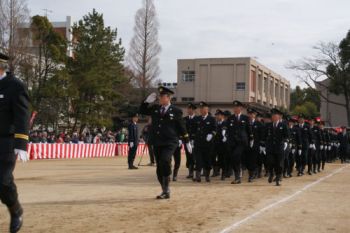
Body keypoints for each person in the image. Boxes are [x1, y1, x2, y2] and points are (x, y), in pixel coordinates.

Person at [139, 86, 192, 199]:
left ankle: (166, 188)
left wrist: (187, 141)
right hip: (157, 141)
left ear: (169, 98)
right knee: (159, 168)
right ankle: (164, 189)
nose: (160, 98)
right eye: (160, 96)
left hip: (170, 141)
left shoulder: (176, 111)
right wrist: (146, 101)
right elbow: (142, 111)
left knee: (165, 160)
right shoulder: (155, 109)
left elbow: (181, 126)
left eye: (163, 96)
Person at [0, 52, 30, 233]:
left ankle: (15, 209)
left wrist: (21, 143)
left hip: (6, 143)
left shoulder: (15, 86)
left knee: (2, 181)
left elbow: (22, 115)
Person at [223, 100, 251, 184]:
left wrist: (251, 139)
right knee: (234, 159)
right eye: (234, 107)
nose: (235, 109)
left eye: (237, 107)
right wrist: (225, 133)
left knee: (236, 156)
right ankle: (237, 177)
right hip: (232, 142)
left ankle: (242, 173)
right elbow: (226, 127)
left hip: (242, 142)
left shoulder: (245, 118)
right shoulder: (230, 118)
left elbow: (249, 130)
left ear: (241, 108)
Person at [263, 108, 289, 186]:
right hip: (270, 147)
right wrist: (263, 145)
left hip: (279, 147)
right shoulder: (268, 125)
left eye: (275, 115)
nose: (273, 117)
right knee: (270, 162)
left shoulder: (283, 125)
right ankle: (271, 173)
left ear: (279, 116)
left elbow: (287, 135)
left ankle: (278, 178)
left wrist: (285, 142)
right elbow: (264, 136)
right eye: (272, 115)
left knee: (279, 164)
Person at [192, 102, 216, 183]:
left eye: (204, 108)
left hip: (208, 144)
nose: (202, 110)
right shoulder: (196, 119)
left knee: (207, 160)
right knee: (198, 160)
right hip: (198, 143)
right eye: (201, 109)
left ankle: (207, 176)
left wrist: (212, 134)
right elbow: (193, 130)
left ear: (207, 109)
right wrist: (192, 139)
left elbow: (215, 129)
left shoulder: (212, 119)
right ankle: (198, 177)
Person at [246, 108, 264, 182]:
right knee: (247, 160)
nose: (250, 115)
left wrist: (261, 145)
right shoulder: (245, 123)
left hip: (256, 145)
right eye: (249, 114)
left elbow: (261, 135)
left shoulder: (259, 124)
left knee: (253, 160)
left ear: (255, 115)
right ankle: (252, 172)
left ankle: (251, 175)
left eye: (252, 114)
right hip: (247, 144)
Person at [183, 103, 197, 179]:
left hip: (195, 141)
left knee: (195, 156)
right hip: (187, 141)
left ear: (193, 110)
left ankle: (196, 173)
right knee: (188, 156)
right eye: (188, 109)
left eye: (190, 109)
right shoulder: (184, 119)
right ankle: (190, 172)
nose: (188, 110)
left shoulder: (197, 119)